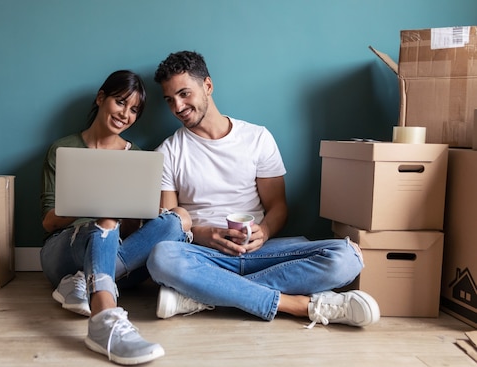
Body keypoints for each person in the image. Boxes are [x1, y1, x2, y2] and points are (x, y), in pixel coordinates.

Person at [146, 51, 380, 328]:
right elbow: (170, 224)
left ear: (207, 86)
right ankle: (297, 305)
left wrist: (265, 231)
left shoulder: (257, 138)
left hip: (263, 253)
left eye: (184, 94)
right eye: (170, 100)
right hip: (204, 256)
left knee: (348, 257)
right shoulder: (169, 152)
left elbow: (278, 207)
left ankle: (201, 297)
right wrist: (205, 234)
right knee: (162, 256)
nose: (178, 106)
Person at [40, 70, 192, 365]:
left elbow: (136, 230)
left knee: (178, 218)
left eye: (134, 109)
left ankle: (86, 280)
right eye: (120, 102)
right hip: (62, 252)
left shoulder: (136, 156)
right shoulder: (63, 149)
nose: (126, 114)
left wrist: (138, 215)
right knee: (106, 221)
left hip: (114, 256)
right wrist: (95, 207)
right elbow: (47, 222)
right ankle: (104, 318)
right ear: (101, 98)